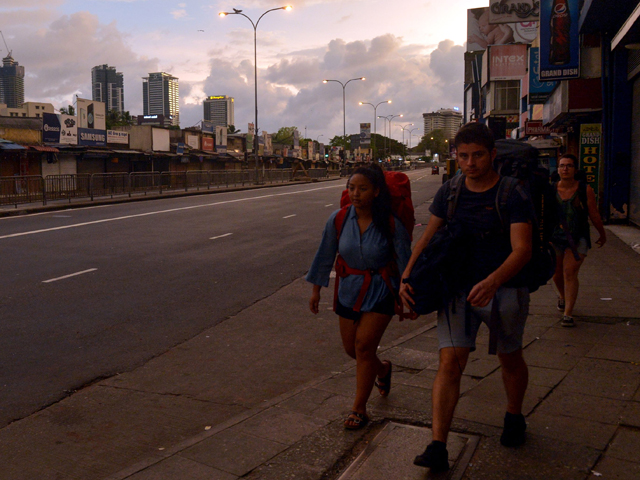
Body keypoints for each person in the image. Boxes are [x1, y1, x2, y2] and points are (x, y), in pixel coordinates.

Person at [399, 123, 533, 472]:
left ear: (492, 155)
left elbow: (523, 249)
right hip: (458, 290)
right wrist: (406, 276)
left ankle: (514, 417)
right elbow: (428, 237)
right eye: (464, 156)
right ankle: (438, 445)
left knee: (510, 358)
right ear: (455, 157)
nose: (470, 162)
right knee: (449, 362)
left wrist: (492, 281)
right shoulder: (451, 191)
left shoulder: (512, 194)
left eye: (477, 155)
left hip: (505, 289)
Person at [307, 164, 411, 430]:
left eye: (362, 189)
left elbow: (405, 260)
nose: (355, 194)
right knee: (352, 350)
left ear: (376, 191)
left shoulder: (390, 222)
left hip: (381, 289)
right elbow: (325, 253)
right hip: (348, 290)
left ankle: (359, 409)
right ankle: (383, 369)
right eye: (351, 188)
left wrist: (407, 294)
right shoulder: (339, 219)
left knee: (364, 347)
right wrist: (317, 289)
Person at [551, 154, 606, 328]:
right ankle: (562, 295)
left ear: (575, 169)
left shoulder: (584, 189)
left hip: (578, 236)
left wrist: (601, 233)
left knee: (569, 272)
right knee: (556, 273)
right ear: (558, 169)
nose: (565, 169)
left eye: (569, 165)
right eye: (562, 165)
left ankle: (568, 313)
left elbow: (594, 213)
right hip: (555, 237)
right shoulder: (551, 189)